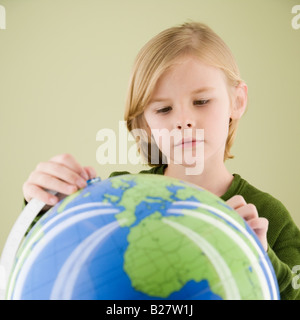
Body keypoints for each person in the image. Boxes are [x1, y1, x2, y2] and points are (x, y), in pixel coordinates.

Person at [22, 22, 300, 300]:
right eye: (164, 109)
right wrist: (42, 211)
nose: (183, 121)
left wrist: (260, 256)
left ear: (237, 101)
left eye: (201, 101)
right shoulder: (115, 197)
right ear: (145, 122)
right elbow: (52, 275)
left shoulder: (270, 217)